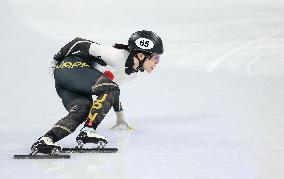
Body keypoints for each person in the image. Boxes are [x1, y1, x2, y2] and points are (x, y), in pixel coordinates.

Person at [31, 30, 164, 154]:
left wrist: (120, 116)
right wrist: (54, 60)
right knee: (111, 88)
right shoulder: (116, 56)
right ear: (141, 55)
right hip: (71, 66)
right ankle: (88, 130)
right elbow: (79, 42)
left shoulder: (131, 74)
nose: (157, 62)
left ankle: (46, 140)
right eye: (156, 58)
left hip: (69, 79)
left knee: (82, 110)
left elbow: (111, 92)